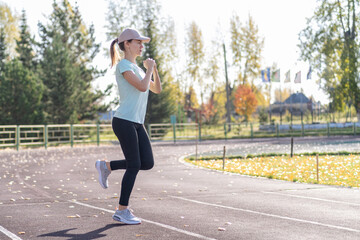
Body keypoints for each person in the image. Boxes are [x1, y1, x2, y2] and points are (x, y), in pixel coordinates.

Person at [95, 28, 162, 225]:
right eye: (138, 42)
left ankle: (106, 166)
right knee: (134, 164)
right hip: (124, 121)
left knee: (146, 163)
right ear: (127, 44)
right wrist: (149, 68)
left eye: (143, 43)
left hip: (137, 123)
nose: (142, 46)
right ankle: (121, 210)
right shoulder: (123, 66)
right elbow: (142, 87)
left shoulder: (140, 69)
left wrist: (154, 69)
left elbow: (156, 89)